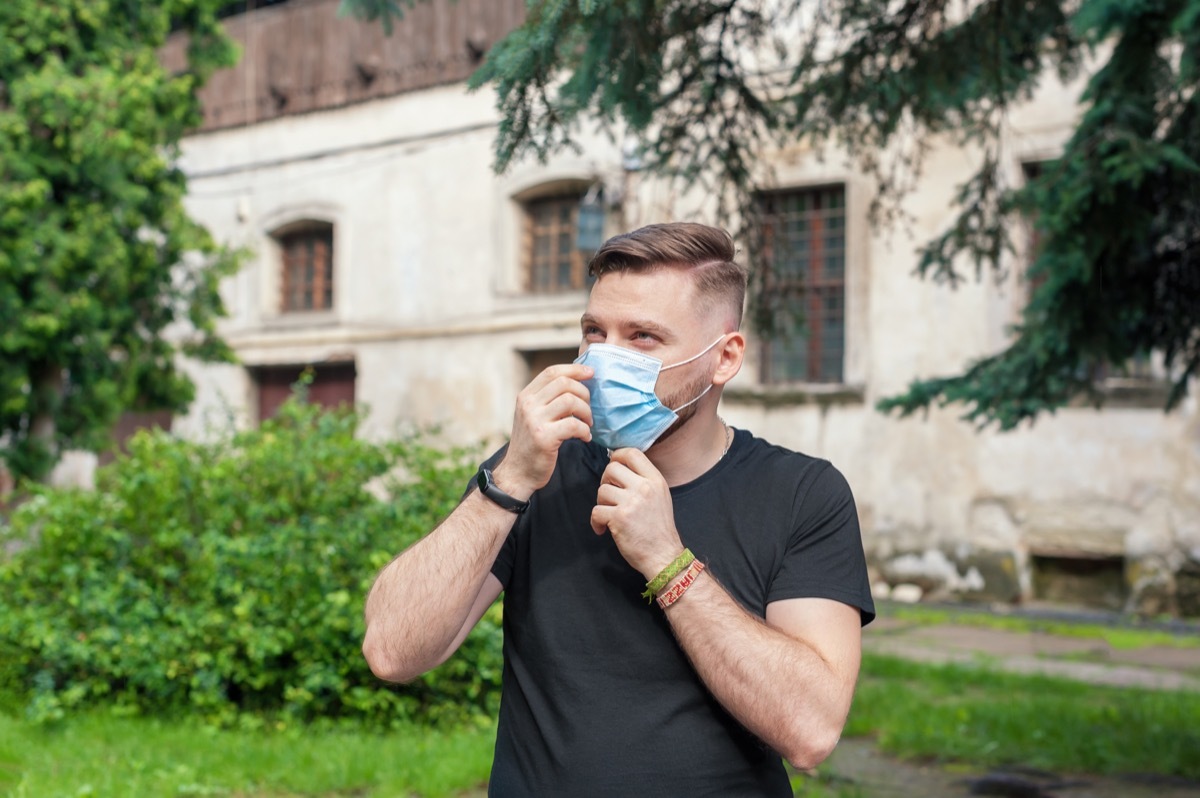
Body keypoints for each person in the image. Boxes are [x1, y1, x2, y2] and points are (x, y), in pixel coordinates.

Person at [362, 222, 875, 796]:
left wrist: (667, 561)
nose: (604, 358)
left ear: (724, 357)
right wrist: (509, 481)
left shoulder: (803, 493)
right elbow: (391, 651)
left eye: (642, 337)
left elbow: (811, 731)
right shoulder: (535, 471)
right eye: (594, 332)